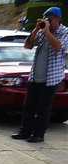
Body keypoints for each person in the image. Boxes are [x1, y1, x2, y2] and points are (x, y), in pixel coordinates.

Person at [12, 7, 68, 143]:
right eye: (45, 19)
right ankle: (25, 131)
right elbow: (27, 45)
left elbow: (58, 47)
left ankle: (38, 134)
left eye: (50, 19)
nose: (47, 22)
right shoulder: (41, 32)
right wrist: (36, 29)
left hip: (51, 78)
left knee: (43, 108)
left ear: (58, 19)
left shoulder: (64, 32)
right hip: (35, 76)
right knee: (28, 106)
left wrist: (47, 31)